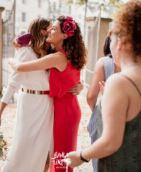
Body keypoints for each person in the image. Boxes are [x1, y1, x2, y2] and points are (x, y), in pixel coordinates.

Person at [66, 1, 141, 171]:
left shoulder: (119, 82)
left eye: (111, 39)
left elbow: (111, 142)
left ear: (119, 43)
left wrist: (81, 156)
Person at [10, 16, 87, 172]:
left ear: (65, 35)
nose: (50, 31)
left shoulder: (57, 57)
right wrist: (80, 86)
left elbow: (19, 67)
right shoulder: (66, 53)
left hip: (64, 110)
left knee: (60, 158)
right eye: (49, 28)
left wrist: (11, 61)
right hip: (64, 107)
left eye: (54, 29)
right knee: (57, 156)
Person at [0, 18, 54, 172]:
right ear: (40, 31)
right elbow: (12, 84)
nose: (51, 31)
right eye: (49, 29)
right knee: (24, 145)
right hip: (29, 103)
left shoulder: (51, 52)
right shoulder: (26, 52)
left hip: (48, 104)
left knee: (45, 148)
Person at [86, 35, 121, 172]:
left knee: (101, 163)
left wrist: (96, 110)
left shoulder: (104, 63)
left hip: (105, 118)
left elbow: (90, 96)